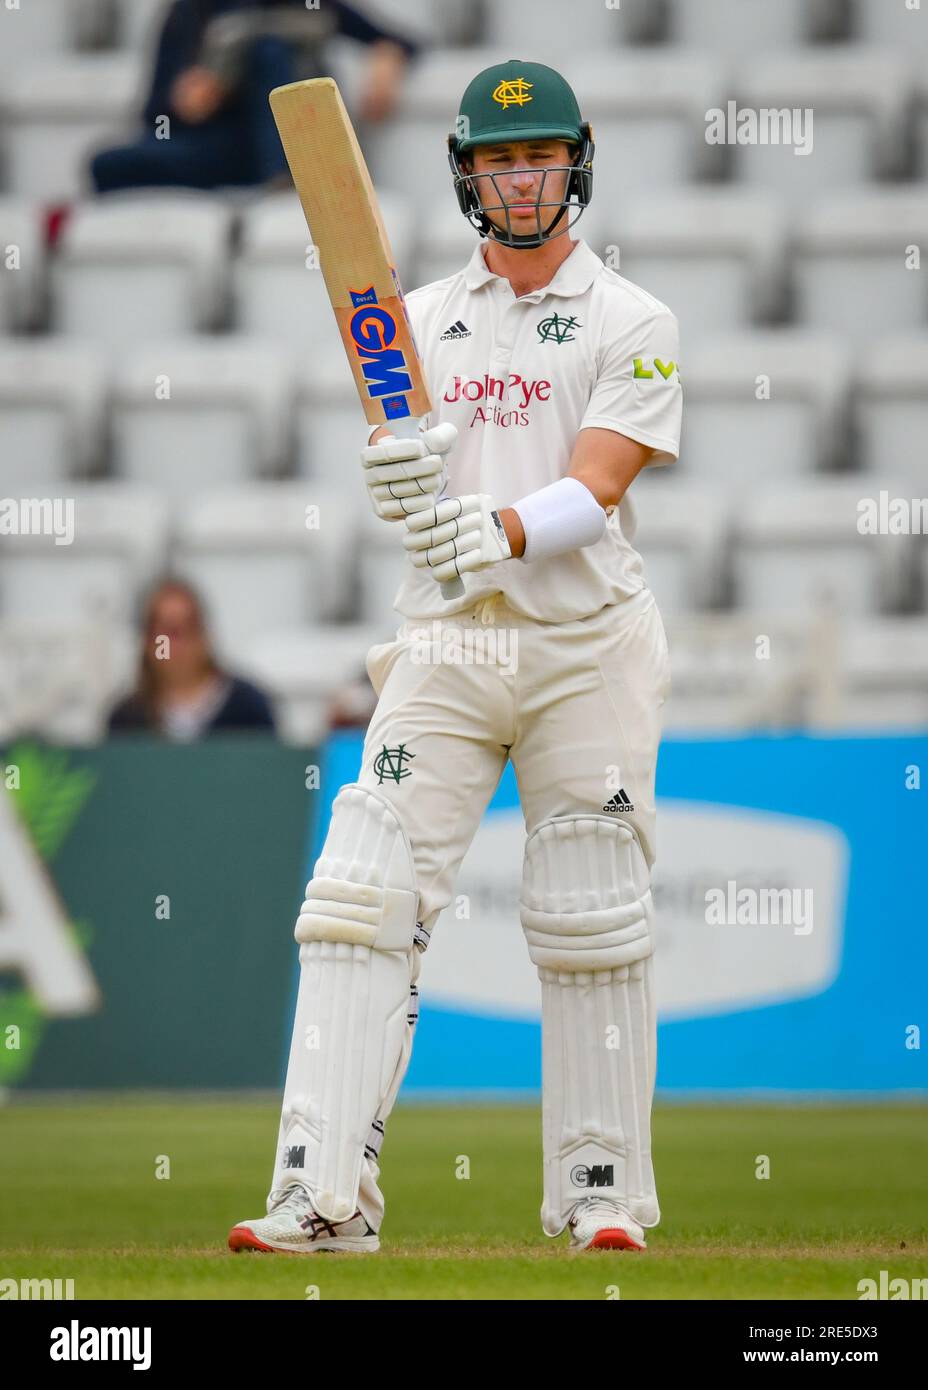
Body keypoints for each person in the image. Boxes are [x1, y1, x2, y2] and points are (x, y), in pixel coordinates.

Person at [229, 59, 682, 1255]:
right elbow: (409, 458)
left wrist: (506, 524)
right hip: (444, 635)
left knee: (590, 902)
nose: (520, 182)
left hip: (585, 642)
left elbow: (601, 480)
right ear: (468, 175)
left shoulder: (636, 320)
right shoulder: (419, 316)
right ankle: (319, 1195)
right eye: (497, 162)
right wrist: (395, 478)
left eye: (537, 159)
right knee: (358, 895)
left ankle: (598, 1194)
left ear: (572, 165)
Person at [90, 0, 419, 193]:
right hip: (216, 150)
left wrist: (386, 57)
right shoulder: (191, 11)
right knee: (107, 164)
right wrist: (186, 102)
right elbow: (155, 114)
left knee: (270, 49)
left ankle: (285, 180)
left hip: (291, 149)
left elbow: (396, 39)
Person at [109, 579, 275, 737]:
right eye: (168, 631)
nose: (178, 643)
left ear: (204, 634)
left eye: (188, 628)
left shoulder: (248, 709)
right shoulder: (126, 720)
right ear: (148, 640)